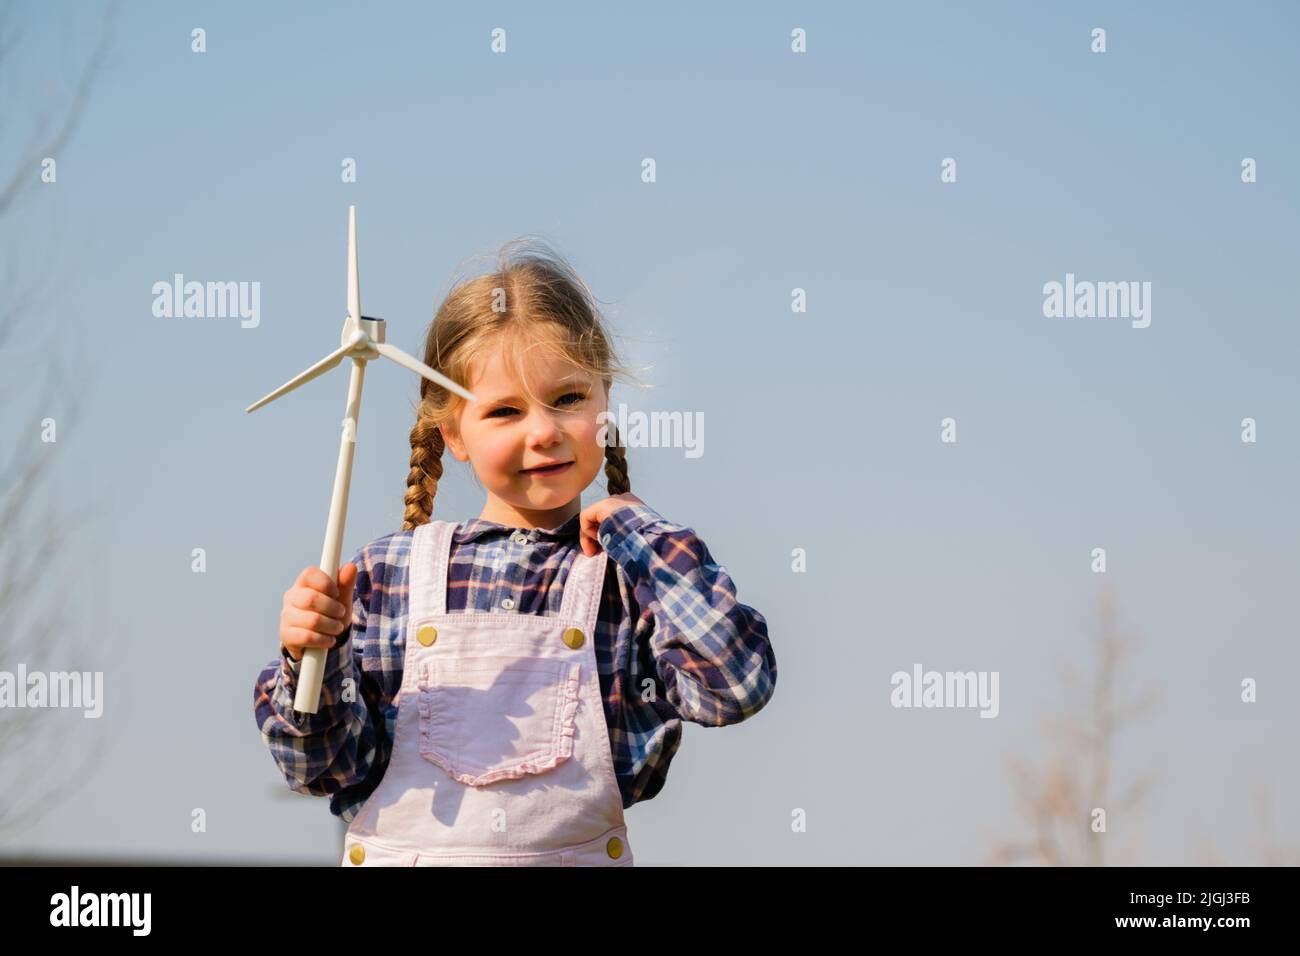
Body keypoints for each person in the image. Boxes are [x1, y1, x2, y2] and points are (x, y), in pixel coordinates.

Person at [252, 239, 777, 866]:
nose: (543, 430)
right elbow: (320, 768)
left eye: (568, 398)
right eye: (504, 410)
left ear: (605, 401)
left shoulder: (626, 579)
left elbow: (734, 686)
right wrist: (313, 655)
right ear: (453, 434)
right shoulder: (384, 575)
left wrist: (641, 533)